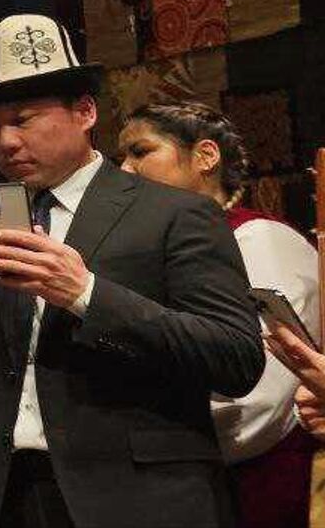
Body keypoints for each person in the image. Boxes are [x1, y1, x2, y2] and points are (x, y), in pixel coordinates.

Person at [0, 14, 263, 528]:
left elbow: (235, 359)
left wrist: (86, 293)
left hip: (140, 499)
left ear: (84, 112)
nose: (4, 141)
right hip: (4, 497)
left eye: (22, 119)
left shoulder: (175, 213)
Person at [117, 100, 320, 527]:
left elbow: (261, 399)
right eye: (122, 157)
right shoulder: (155, 251)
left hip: (256, 487)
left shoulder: (259, 239)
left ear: (206, 156)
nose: (125, 170)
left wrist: (150, 441)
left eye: (141, 152)